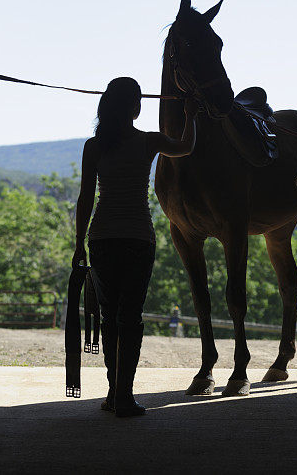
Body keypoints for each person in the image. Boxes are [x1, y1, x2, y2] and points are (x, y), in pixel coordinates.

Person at [73, 77, 197, 417]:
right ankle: (124, 395)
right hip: (139, 238)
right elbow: (186, 146)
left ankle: (115, 393)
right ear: (135, 107)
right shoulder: (149, 142)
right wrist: (190, 113)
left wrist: (78, 242)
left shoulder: (93, 146)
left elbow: (86, 198)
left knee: (110, 318)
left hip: (101, 239)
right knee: (131, 318)